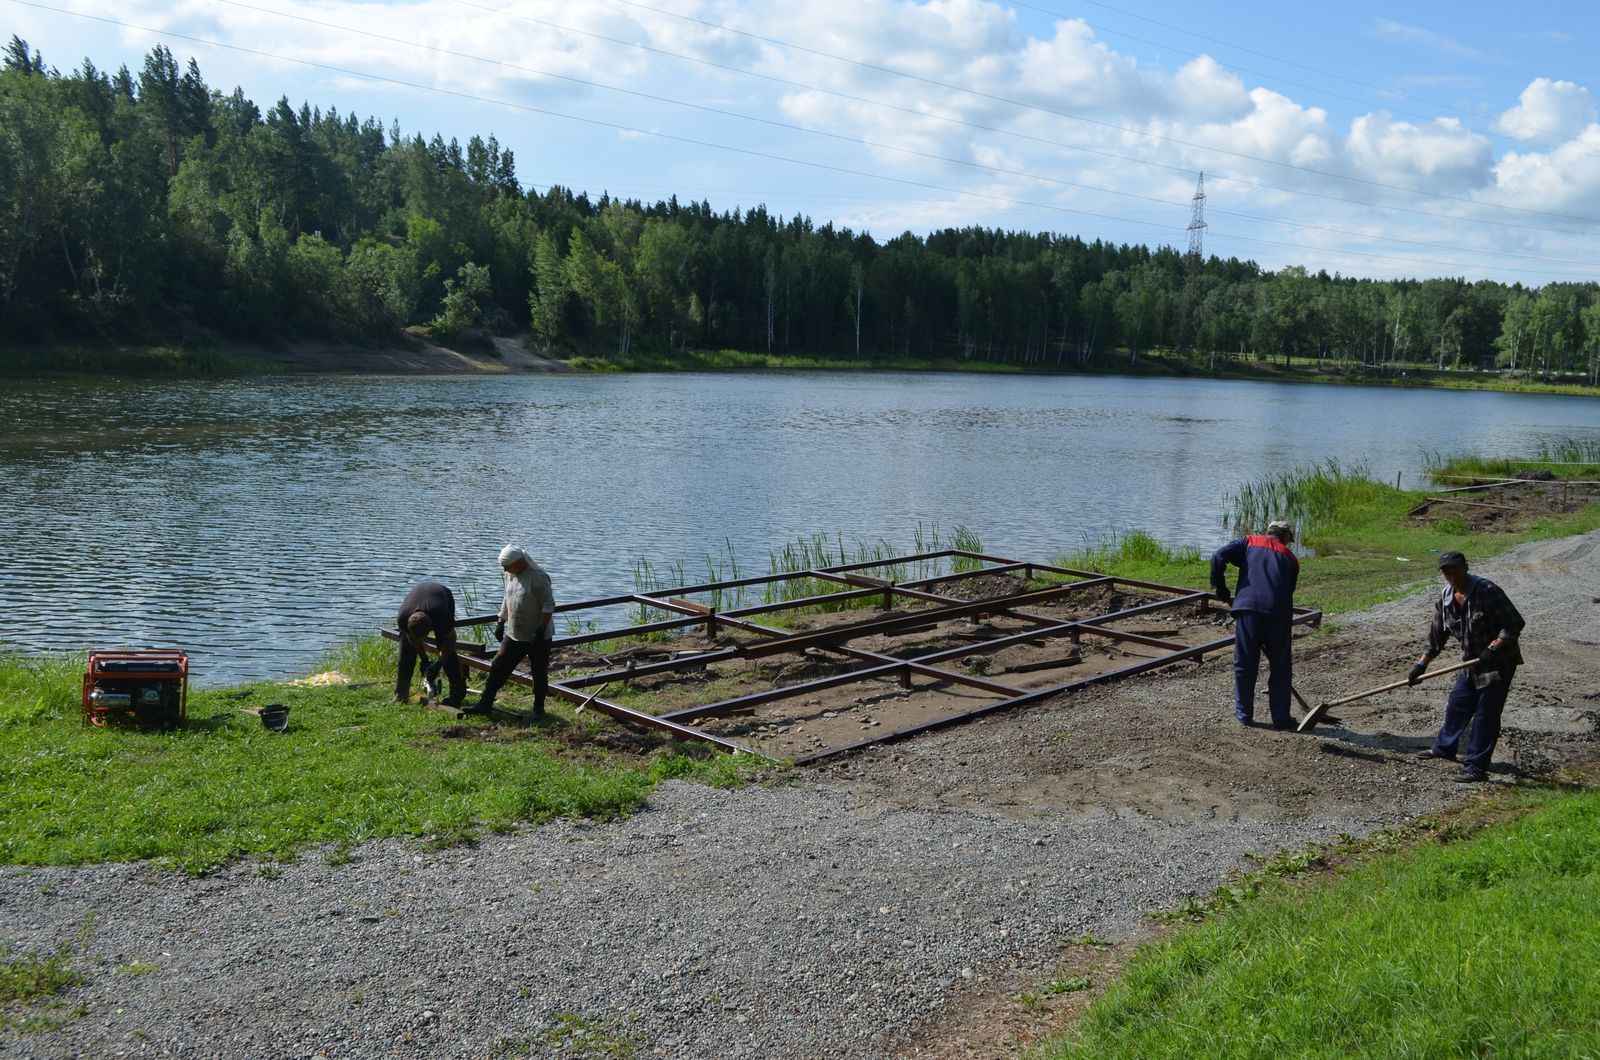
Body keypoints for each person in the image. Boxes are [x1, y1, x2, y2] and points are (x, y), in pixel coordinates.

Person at [1409, 551, 1524, 783]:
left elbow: (1514, 623)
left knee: (1485, 715)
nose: (1451, 575)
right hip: (1471, 662)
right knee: (1458, 704)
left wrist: (1494, 647)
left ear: (1466, 568)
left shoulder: (1487, 591)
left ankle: (1476, 767)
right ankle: (1444, 748)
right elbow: (1436, 636)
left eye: (1455, 570)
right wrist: (1421, 665)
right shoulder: (1445, 598)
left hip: (1497, 663)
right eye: (1446, 572)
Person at [1210, 519, 1300, 730]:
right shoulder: (1291, 559)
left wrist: (1220, 588)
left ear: (1268, 531)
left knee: (1245, 663)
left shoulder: (1248, 542)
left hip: (1247, 609)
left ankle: (1244, 715)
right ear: (1286, 537)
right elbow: (1288, 590)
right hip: (1278, 614)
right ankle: (1281, 719)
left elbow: (1218, 556)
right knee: (1280, 667)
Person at [473, 544, 555, 716]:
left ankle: (538, 708)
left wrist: (541, 629)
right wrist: (501, 621)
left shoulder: (538, 577)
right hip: (515, 633)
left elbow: (548, 604)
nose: (505, 569)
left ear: (519, 562)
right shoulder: (510, 574)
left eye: (507, 566)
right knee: (498, 665)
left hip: (538, 635)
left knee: (539, 670)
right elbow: (507, 597)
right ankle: (485, 704)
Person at [396, 581, 466, 707]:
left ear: (431, 624)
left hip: (442, 594)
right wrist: (424, 660)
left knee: (443, 643)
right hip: (417, 595)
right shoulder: (403, 618)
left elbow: (451, 639)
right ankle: (400, 694)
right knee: (406, 649)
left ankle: (457, 692)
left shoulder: (441, 615)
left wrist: (438, 664)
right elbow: (411, 638)